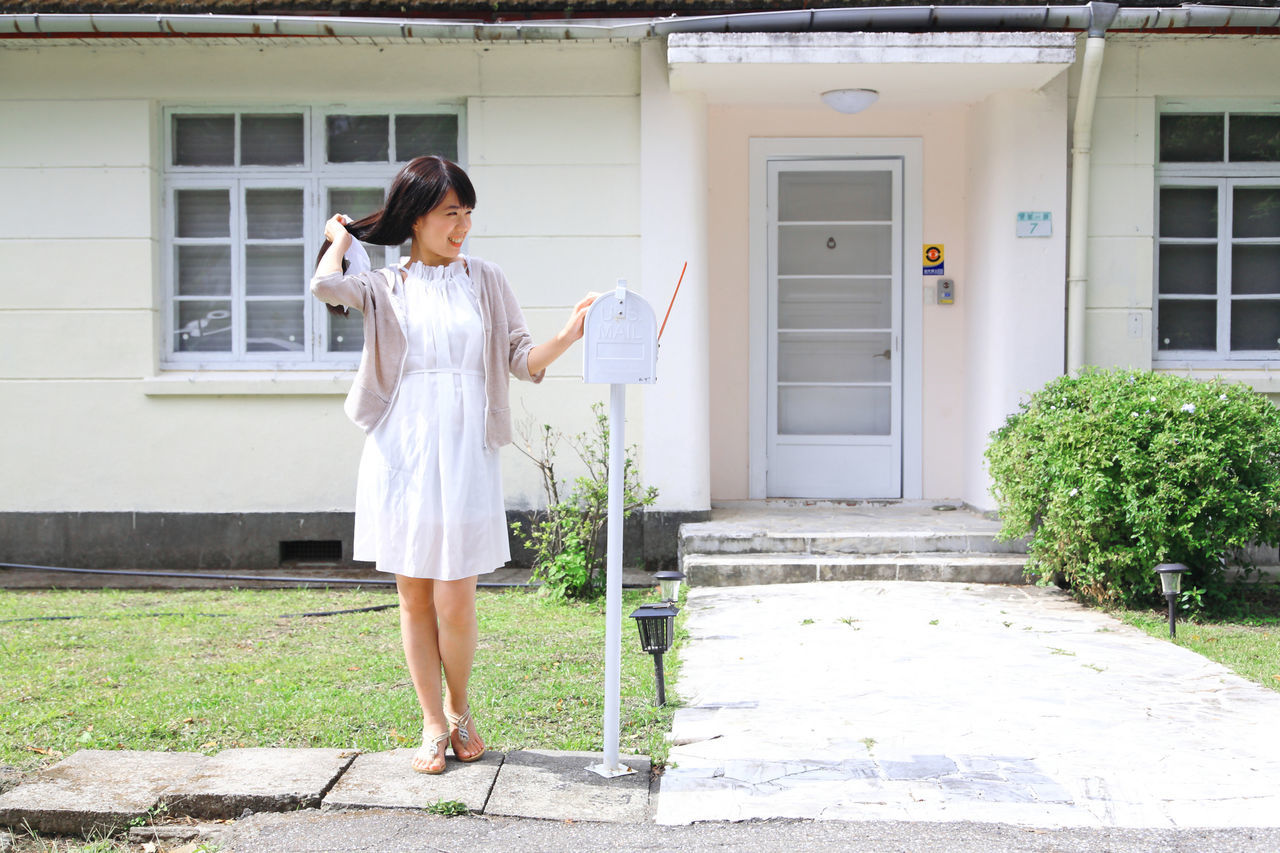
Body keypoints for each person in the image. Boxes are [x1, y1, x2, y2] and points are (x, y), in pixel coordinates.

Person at [311, 155, 596, 774]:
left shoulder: (485, 280)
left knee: (457, 598)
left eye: (467, 213)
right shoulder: (387, 285)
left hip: (466, 448)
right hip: (402, 448)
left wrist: (570, 334)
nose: (462, 225)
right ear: (416, 218)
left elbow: (522, 357)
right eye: (449, 213)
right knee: (413, 596)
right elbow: (325, 287)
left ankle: (462, 709)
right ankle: (432, 722)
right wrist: (338, 238)